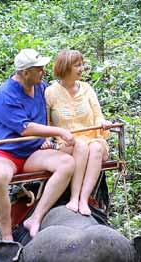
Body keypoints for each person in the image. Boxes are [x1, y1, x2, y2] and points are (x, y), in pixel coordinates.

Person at [0, 48, 75, 240]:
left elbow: (52, 113)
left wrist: (49, 138)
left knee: (67, 163)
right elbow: (25, 128)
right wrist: (58, 132)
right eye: (39, 69)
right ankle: (7, 236)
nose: (43, 72)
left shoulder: (42, 88)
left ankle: (36, 217)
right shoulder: (5, 94)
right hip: (4, 152)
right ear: (25, 72)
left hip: (31, 151)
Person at [45, 49, 112, 216]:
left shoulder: (87, 88)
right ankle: (73, 197)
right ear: (66, 67)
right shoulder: (51, 92)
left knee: (95, 147)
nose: (82, 68)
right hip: (67, 143)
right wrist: (46, 139)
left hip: (92, 138)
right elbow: (46, 124)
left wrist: (102, 123)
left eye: (82, 64)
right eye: (77, 65)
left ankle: (84, 198)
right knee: (80, 146)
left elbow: (98, 116)